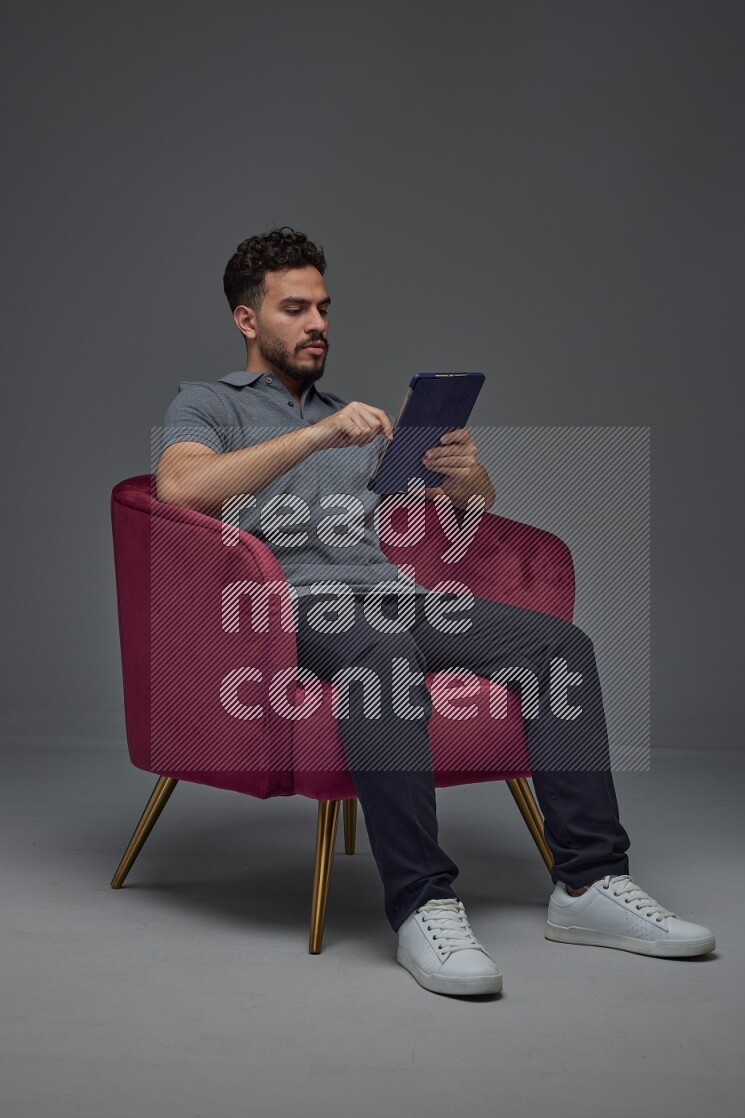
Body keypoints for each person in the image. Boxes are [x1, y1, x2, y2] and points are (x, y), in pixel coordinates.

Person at [156, 226, 715, 997]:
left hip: (397, 597)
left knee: (560, 647)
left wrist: (465, 478)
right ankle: (423, 902)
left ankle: (590, 885)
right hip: (289, 609)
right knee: (382, 658)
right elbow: (180, 490)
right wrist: (315, 435)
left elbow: (462, 515)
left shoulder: (357, 419)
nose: (317, 322)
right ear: (247, 320)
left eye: (322, 306)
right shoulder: (209, 402)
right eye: (295, 308)